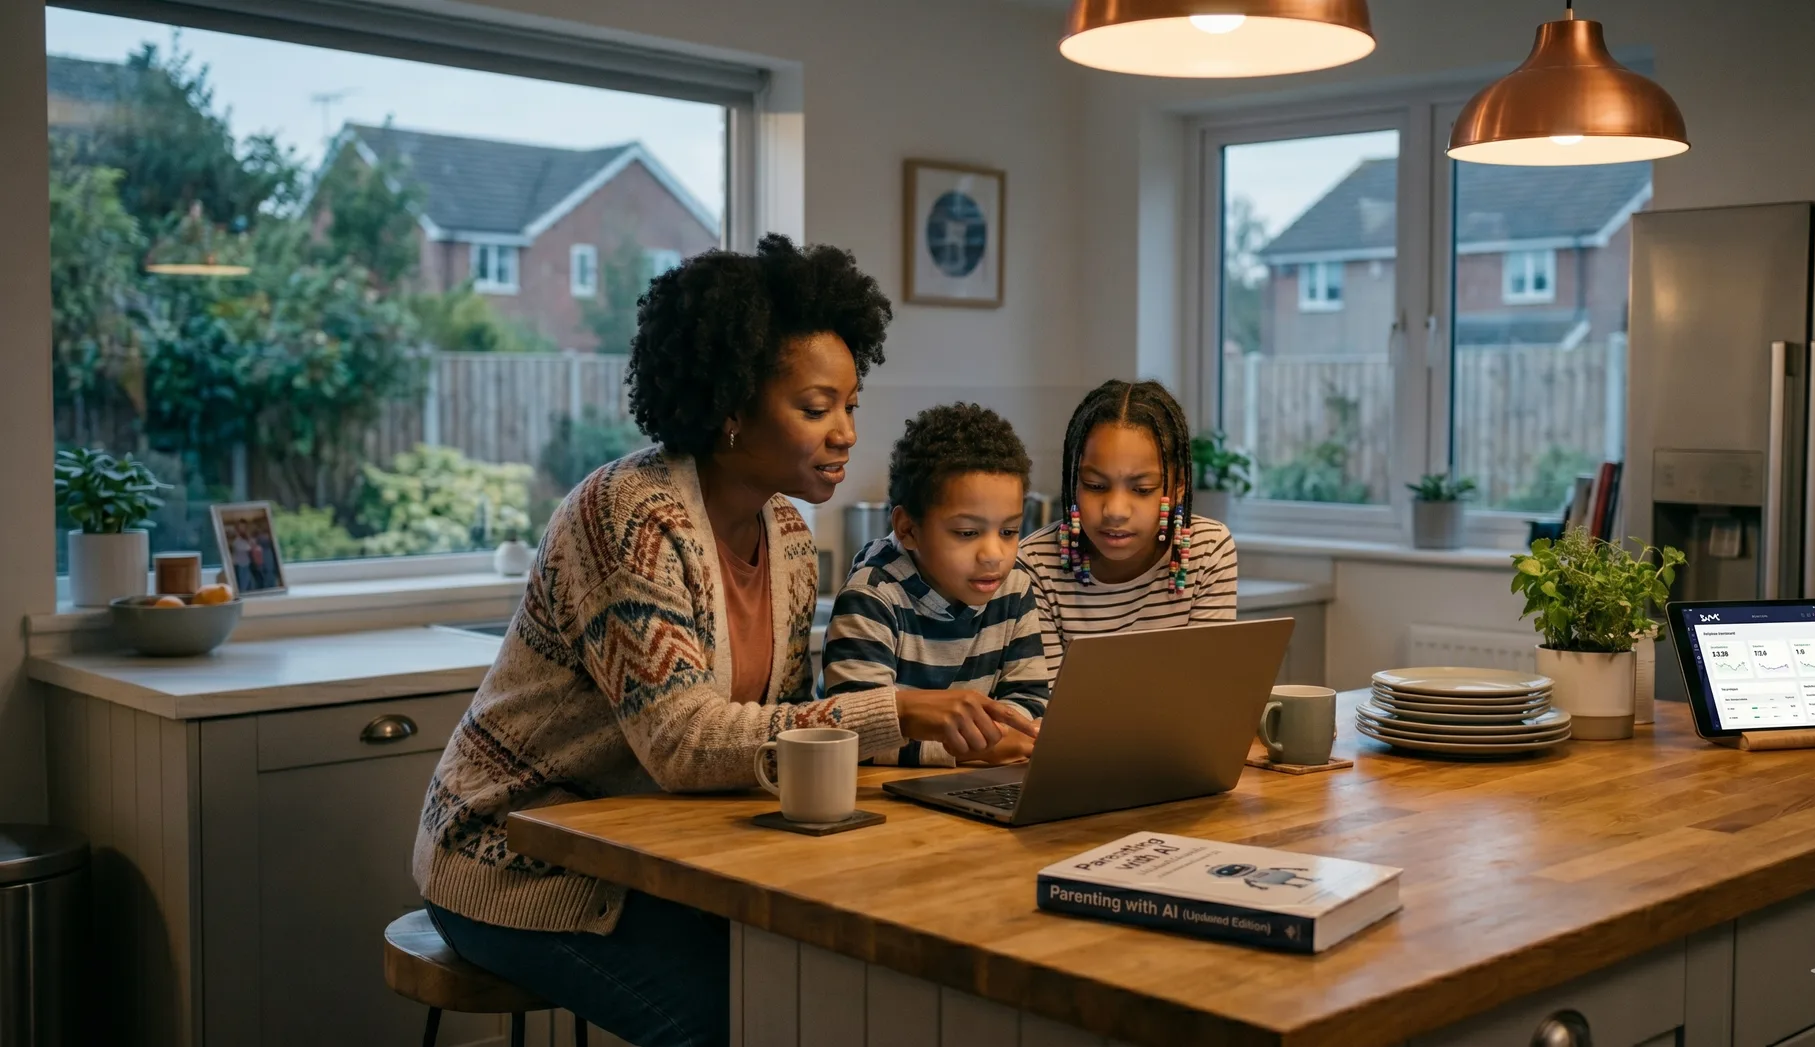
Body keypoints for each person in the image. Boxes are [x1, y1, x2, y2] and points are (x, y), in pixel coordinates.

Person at [409, 234, 1033, 1047]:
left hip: (654, 851)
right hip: (511, 855)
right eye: (816, 408)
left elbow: (768, 736)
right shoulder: (625, 515)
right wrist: (902, 710)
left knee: (836, 974)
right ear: (731, 408)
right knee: (744, 1010)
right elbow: (685, 742)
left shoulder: (790, 536)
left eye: (851, 405)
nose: (845, 432)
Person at [822, 403, 1049, 768]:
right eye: (966, 533)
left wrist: (998, 740)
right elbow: (855, 735)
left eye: (1008, 531)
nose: (993, 554)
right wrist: (971, 750)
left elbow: (1029, 701)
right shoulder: (871, 599)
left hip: (968, 783)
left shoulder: (1014, 587)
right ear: (908, 529)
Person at [1016, 379, 1240, 679]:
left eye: (1142, 489)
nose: (1115, 511)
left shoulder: (1208, 549)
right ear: (1073, 482)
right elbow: (1053, 709)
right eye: (1095, 486)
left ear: (1179, 487)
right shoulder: (1036, 564)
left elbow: (1206, 688)